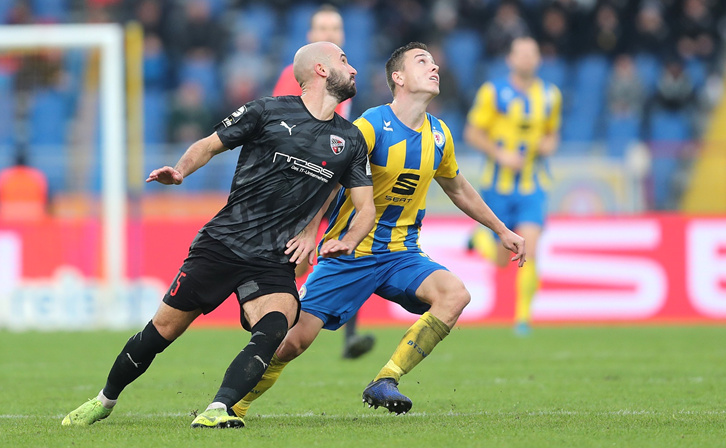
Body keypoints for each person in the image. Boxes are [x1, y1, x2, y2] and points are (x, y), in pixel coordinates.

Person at [61, 41, 376, 429]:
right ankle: (104, 399)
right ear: (321, 71)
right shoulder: (268, 110)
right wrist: (179, 171)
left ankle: (217, 409)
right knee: (162, 331)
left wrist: (347, 238)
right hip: (224, 242)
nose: (354, 68)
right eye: (345, 60)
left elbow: (366, 207)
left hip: (274, 256)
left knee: (276, 325)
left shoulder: (351, 139)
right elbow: (208, 145)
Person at [229, 42, 526, 420]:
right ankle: (233, 404)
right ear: (398, 78)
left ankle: (386, 379)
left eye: (435, 63)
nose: (434, 68)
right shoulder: (372, 124)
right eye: (423, 62)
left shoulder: (440, 135)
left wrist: (501, 229)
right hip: (350, 254)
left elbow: (458, 187)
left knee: (455, 295)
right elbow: (330, 178)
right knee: (292, 343)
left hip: (402, 254)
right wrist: (307, 232)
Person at [272, 3, 373, 360]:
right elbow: (281, 122)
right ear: (310, 37)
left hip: (332, 181)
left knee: (348, 246)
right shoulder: (294, 74)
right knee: (298, 257)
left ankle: (348, 333)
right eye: (323, 28)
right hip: (305, 182)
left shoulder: (345, 78)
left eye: (336, 28)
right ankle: (273, 320)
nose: (330, 34)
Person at [464, 37, 561, 336]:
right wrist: (500, 154)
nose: (527, 58)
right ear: (510, 59)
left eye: (533, 53)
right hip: (498, 185)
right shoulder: (493, 92)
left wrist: (547, 145)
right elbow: (472, 133)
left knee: (529, 248)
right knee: (502, 259)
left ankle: (522, 320)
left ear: (538, 59)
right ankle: (479, 242)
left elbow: (552, 135)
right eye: (521, 53)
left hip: (532, 185)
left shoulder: (550, 95)